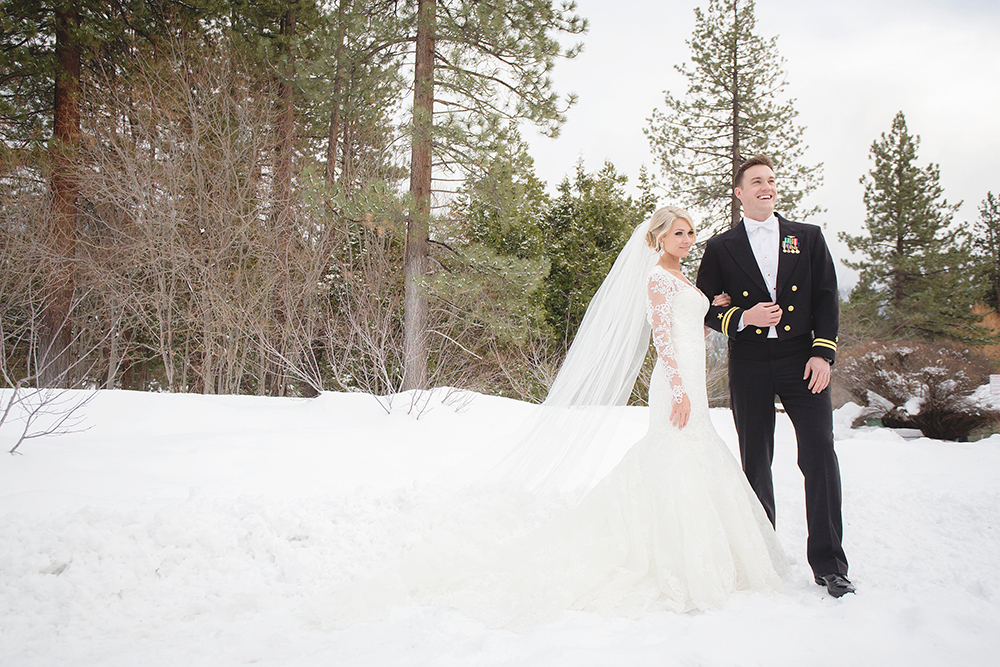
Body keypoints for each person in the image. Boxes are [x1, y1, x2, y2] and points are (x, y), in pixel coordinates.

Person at [380, 206, 790, 626]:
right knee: (674, 456)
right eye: (679, 233)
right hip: (677, 387)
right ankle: (672, 558)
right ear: (659, 237)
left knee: (695, 456)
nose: (687, 240)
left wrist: (712, 308)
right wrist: (680, 393)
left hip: (694, 386)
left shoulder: (683, 277)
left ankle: (706, 554)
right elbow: (662, 340)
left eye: (690, 233)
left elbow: (689, 328)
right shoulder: (656, 278)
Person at [695, 155, 855, 598]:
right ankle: (762, 555)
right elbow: (704, 306)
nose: (766, 186)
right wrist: (743, 316)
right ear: (739, 193)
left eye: (771, 180)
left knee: (820, 453)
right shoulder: (720, 247)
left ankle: (829, 563)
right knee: (755, 458)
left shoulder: (808, 237)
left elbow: (826, 299)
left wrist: (824, 355)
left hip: (803, 359)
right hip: (749, 361)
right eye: (756, 182)